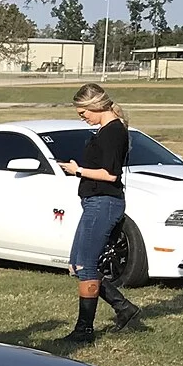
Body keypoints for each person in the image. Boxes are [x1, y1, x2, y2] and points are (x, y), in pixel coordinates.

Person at [56, 83, 142, 343]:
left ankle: (85, 329)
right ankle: (123, 307)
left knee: (86, 265)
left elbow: (110, 174)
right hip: (94, 202)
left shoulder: (113, 132)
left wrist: (77, 170)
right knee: (77, 264)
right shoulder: (105, 130)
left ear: (96, 105)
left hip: (104, 203)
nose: (83, 118)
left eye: (83, 113)